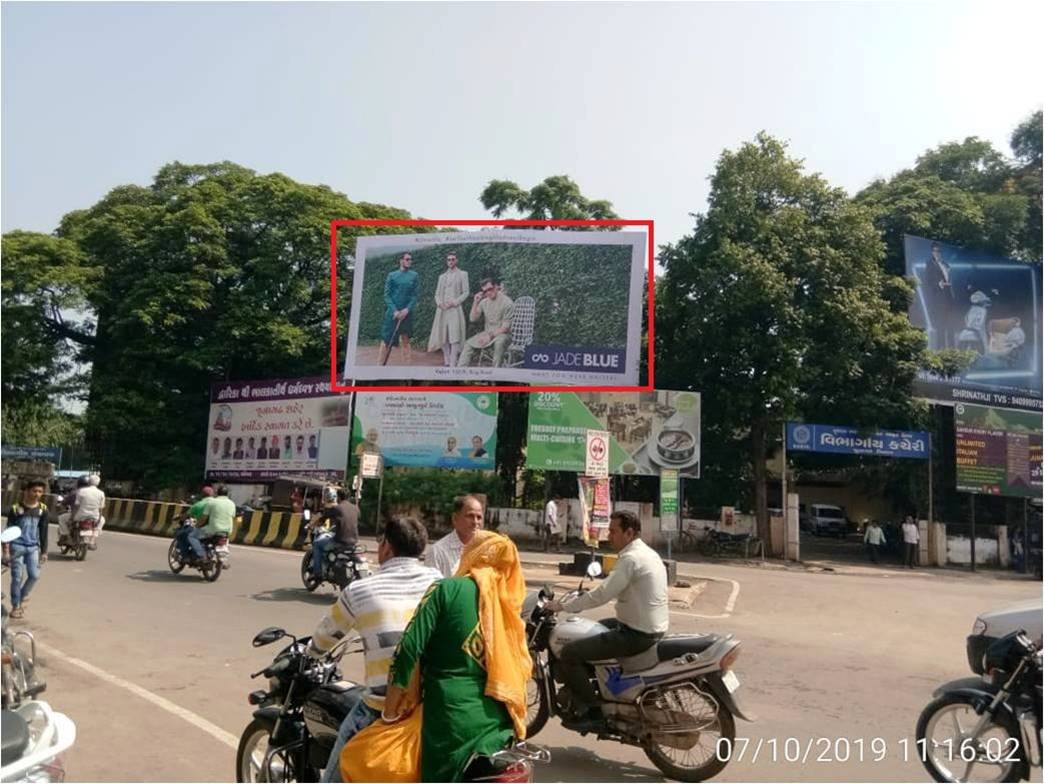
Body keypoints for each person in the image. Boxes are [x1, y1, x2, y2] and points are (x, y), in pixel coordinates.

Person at [340, 530, 530, 783]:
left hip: (448, 718)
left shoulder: (446, 589)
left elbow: (407, 650)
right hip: (498, 723)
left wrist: (389, 714)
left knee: (357, 757)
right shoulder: (508, 605)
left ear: (473, 553)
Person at [306, 516, 442, 783]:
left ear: (387, 547)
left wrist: (311, 654)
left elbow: (324, 638)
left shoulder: (359, 590)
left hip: (382, 708)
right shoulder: (440, 583)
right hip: (431, 705)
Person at [545, 510, 668, 727]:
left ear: (629, 533)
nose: (608, 536)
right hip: (648, 627)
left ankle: (593, 710)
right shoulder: (648, 553)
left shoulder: (631, 558)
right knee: (596, 628)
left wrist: (563, 606)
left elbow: (602, 595)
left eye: (613, 531)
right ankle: (606, 685)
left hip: (636, 634)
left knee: (570, 652)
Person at [4, 480, 50, 620]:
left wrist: (44, 551)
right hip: (17, 546)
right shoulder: (15, 509)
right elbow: (8, 532)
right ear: (27, 491)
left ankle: (22, 597)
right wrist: (5, 552)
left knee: (34, 575)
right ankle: (15, 606)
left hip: (33, 547)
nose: (37, 494)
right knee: (17, 578)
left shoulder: (43, 509)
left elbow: (43, 531)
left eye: (40, 492)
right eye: (34, 491)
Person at [458, 277, 516, 368]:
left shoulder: (507, 303)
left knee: (499, 342)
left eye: (490, 289)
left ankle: (495, 374)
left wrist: (489, 336)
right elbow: (472, 319)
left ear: (496, 287)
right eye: (485, 291)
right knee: (468, 344)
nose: (488, 292)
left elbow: (505, 328)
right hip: (487, 333)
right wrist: (475, 302)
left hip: (503, 335)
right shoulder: (484, 302)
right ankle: (459, 374)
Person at [426, 252, 470, 367]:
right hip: (442, 309)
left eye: (453, 259)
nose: (450, 261)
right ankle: (446, 360)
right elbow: (437, 294)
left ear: (456, 260)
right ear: (447, 261)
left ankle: (453, 362)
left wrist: (454, 302)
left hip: (455, 309)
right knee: (443, 335)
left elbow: (466, 292)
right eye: (449, 260)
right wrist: (440, 304)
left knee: (454, 335)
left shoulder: (463, 274)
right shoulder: (442, 277)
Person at [378, 252, 420, 366]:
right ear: (401, 261)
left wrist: (407, 309)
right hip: (392, 314)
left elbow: (415, 296)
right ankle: (379, 368)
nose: (409, 261)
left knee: (405, 340)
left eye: (410, 259)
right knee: (386, 341)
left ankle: (407, 369)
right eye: (407, 259)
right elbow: (387, 295)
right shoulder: (392, 275)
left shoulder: (414, 275)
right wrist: (395, 311)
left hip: (406, 314)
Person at [429, 495, 484, 578]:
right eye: (470, 516)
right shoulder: (437, 552)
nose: (475, 522)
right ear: (455, 518)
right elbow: (432, 588)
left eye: (479, 517)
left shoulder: (488, 549)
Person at [184, 485, 236, 563]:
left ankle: (202, 555)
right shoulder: (232, 504)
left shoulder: (212, 503)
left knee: (192, 536)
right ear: (227, 494)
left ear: (217, 493)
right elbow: (232, 517)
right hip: (228, 530)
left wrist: (197, 526)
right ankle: (223, 560)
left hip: (213, 529)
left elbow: (204, 518)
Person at [919, 241, 956, 349]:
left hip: (949, 296)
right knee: (941, 323)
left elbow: (951, 279)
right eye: (935, 251)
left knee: (951, 323)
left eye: (939, 251)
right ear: (932, 252)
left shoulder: (946, 264)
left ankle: (952, 347)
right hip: (939, 297)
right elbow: (927, 281)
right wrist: (938, 284)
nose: (937, 253)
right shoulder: (929, 264)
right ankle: (941, 347)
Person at [177, 486, 215, 558]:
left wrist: (180, 518)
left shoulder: (198, 504)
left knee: (181, 535)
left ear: (202, 495)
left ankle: (186, 557)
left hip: (202, 528)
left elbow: (186, 515)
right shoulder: (216, 504)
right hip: (215, 528)